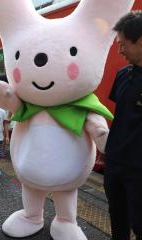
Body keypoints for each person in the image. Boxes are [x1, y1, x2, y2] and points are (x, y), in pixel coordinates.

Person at [104, 11, 142, 240]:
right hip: (115, 163)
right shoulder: (122, 75)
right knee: (117, 219)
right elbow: (121, 115)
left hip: (140, 170)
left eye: (123, 44)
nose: (119, 50)